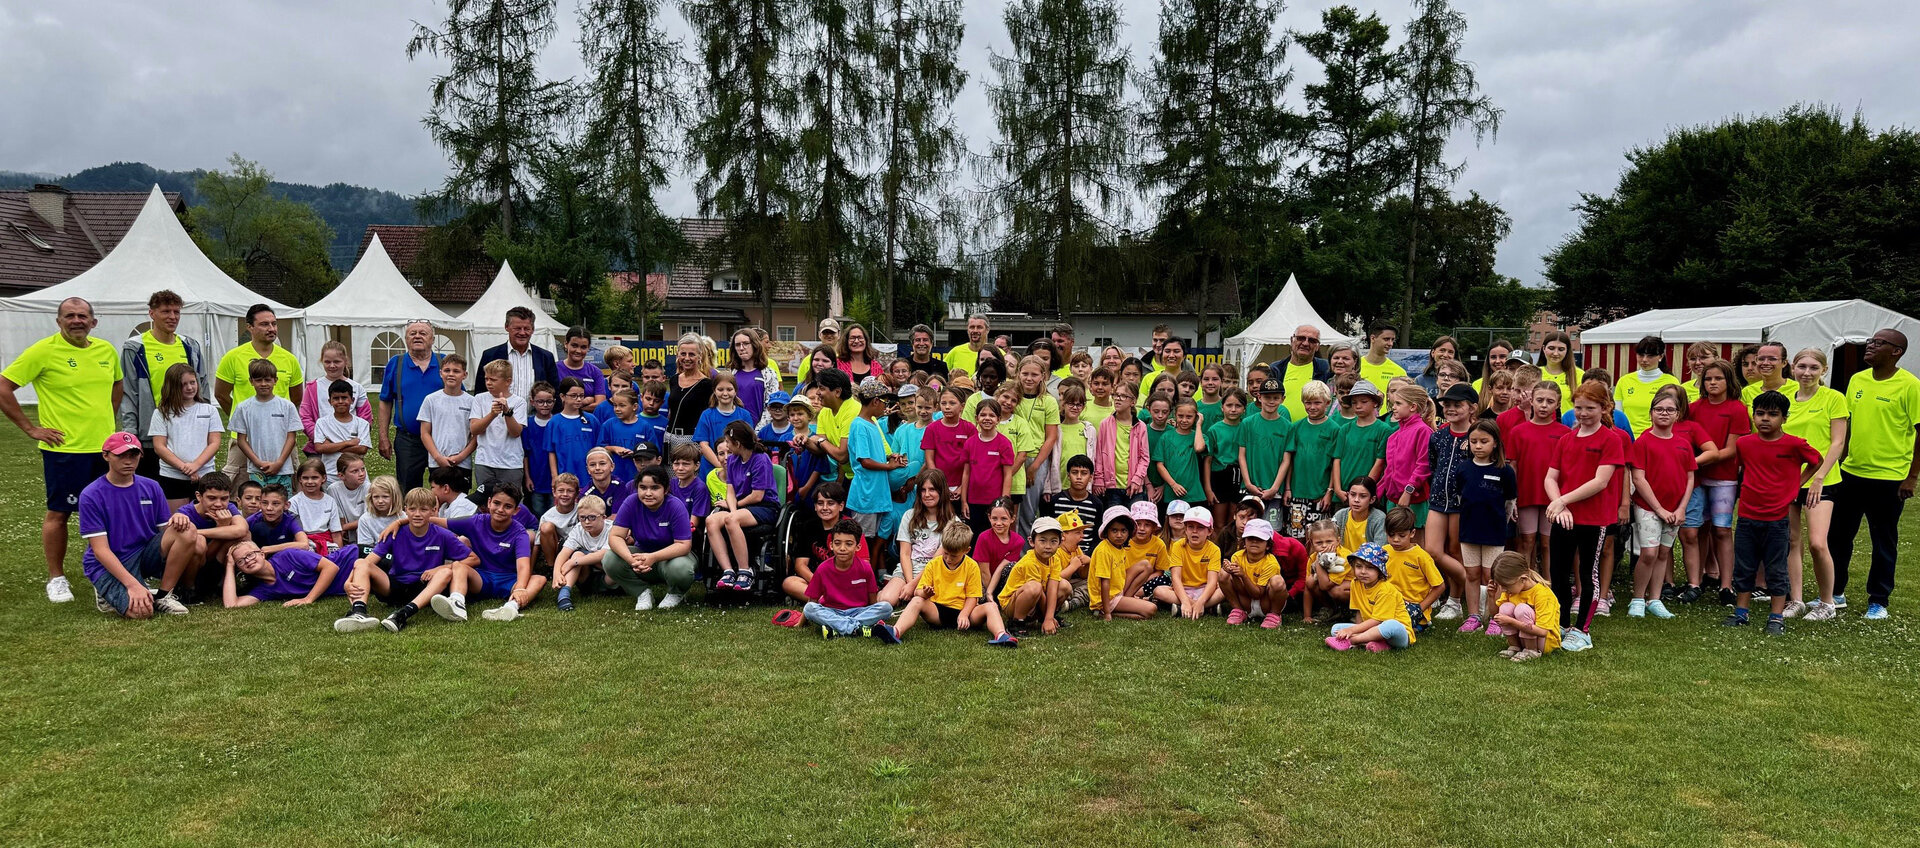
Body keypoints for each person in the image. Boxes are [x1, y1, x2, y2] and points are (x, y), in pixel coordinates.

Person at [0, 297, 125, 603]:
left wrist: (105, 421)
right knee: (60, 512)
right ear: (59, 322)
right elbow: (4, 386)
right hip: (65, 451)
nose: (76, 320)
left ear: (93, 322)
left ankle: (103, 571)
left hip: (105, 450)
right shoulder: (44, 350)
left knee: (107, 514)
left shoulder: (105, 350)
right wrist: (31, 429)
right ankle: (56, 578)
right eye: (69, 316)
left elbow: (117, 386)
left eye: (82, 316)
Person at [1829, 328, 1920, 620]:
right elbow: (1849, 425)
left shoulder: (1910, 385)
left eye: (1878, 343)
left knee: (1883, 541)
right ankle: (1835, 593)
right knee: (1839, 537)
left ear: (1896, 352)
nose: (1870, 346)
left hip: (1890, 477)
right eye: (1870, 341)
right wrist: (1839, 462)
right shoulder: (1857, 380)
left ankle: (1878, 601)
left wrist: (1912, 477)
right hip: (1851, 473)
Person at [1721, 390, 1822, 635]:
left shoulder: (1794, 444)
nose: (1765, 419)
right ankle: (1741, 613)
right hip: (1747, 516)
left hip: (1777, 519)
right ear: (1753, 415)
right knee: (1744, 567)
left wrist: (1798, 483)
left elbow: (1816, 460)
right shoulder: (1744, 443)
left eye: (1773, 414)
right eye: (1760, 413)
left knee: (1777, 569)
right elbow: (1744, 469)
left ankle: (1776, 618)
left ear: (1784, 418)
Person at [76, 432, 201, 617]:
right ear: (106, 455)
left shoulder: (151, 486)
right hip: (109, 561)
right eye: (121, 455)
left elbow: (165, 531)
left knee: (188, 530)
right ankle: (108, 588)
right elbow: (100, 550)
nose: (128, 461)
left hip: (143, 553)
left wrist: (177, 520)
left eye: (133, 455)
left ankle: (164, 595)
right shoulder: (91, 494)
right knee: (141, 612)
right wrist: (132, 585)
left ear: (140, 456)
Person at [1545, 382, 1627, 652]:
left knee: (1587, 574)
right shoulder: (1566, 439)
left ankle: (1582, 630)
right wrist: (1561, 507)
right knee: (1558, 573)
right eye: (1578, 407)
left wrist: (1562, 500)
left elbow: (1600, 481)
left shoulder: (1611, 439)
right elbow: (1551, 477)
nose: (1582, 413)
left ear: (1604, 408)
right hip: (1564, 517)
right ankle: (1562, 624)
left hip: (1593, 518)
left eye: (1590, 408)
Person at [332, 488, 475, 633]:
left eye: (423, 509)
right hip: (396, 584)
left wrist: (440, 568)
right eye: (412, 509)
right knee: (360, 562)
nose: (417, 514)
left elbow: (473, 559)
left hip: (425, 586)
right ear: (405, 510)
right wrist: (348, 581)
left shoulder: (443, 535)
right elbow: (366, 563)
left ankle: (403, 614)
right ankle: (359, 612)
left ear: (433, 511)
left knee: (445, 572)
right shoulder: (394, 532)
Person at [1782, 349, 1848, 620]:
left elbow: (1837, 442)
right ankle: (1796, 600)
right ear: (1793, 369)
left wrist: (1819, 475)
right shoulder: (1785, 398)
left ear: (1824, 370)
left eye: (1813, 367)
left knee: (1818, 543)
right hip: (1788, 480)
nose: (1806, 372)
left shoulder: (1834, 398)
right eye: (1801, 367)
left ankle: (1827, 603)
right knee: (1791, 541)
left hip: (1822, 480)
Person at [120, 290, 213, 481]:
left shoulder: (190, 346)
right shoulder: (135, 348)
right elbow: (128, 394)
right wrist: (131, 435)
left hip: (188, 433)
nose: (172, 317)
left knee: (192, 495)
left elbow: (202, 386)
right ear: (152, 313)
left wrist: (206, 424)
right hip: (151, 436)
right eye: (166, 312)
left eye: (176, 312)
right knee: (152, 493)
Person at [891, 519, 1019, 646]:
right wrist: (925, 593)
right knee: (916, 601)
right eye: (946, 553)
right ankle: (896, 631)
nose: (948, 558)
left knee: (991, 606)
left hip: (966, 613)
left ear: (966, 550)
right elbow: (917, 591)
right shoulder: (933, 564)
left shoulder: (972, 566)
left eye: (954, 556)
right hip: (937, 611)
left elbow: (973, 597)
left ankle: (1001, 635)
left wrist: (964, 615)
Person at [1626, 388, 1693, 620]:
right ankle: (1637, 598)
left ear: (1678, 414)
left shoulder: (1684, 444)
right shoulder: (1644, 441)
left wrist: (1681, 507)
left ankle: (1655, 598)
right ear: (1651, 413)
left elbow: (1690, 476)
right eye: (1659, 409)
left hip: (1675, 509)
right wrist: (1659, 509)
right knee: (1648, 553)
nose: (1664, 414)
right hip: (1649, 507)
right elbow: (1638, 478)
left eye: (1669, 410)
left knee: (1664, 552)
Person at [214, 304, 303, 479]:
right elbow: (221, 394)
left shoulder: (289, 359)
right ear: (250, 327)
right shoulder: (232, 357)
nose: (271, 329)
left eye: (274, 324)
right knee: (240, 492)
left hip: (282, 438)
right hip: (244, 439)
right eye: (264, 324)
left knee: (288, 490)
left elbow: (296, 398)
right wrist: (242, 420)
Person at [1688, 359, 1749, 604]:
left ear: (1729, 381)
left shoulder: (1737, 409)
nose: (1713, 383)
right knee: (1698, 529)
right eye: (1708, 379)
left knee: (1722, 530)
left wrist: (1699, 461)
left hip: (1724, 479)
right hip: (1698, 479)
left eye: (1718, 378)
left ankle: (1726, 585)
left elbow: (1733, 449)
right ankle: (1699, 577)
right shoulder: (1694, 408)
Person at [440, 484, 543, 623]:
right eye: (496, 503)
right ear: (489, 502)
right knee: (458, 566)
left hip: (508, 580)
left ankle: (511, 607)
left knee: (539, 580)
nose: (500, 509)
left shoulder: (520, 533)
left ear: (516, 510)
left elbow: (523, 565)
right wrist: (406, 521)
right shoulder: (476, 521)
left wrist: (519, 588)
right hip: (481, 578)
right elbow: (443, 523)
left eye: (507, 506)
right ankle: (457, 603)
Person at [604, 465, 699, 611]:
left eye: (655, 488)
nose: (648, 493)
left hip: (671, 558)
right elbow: (615, 536)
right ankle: (642, 592)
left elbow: (683, 545)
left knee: (681, 569)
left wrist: (653, 557)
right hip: (641, 556)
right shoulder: (631, 502)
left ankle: (676, 593)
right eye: (643, 487)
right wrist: (631, 559)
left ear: (665, 489)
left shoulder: (675, 505)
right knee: (609, 559)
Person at [1457, 420, 1515, 633]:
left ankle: (1495, 617)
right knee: (1471, 573)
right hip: (1469, 530)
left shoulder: (1505, 471)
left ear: (1495, 443)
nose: (1478, 446)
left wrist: (1501, 522)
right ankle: (1473, 616)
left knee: (1492, 575)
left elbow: (1510, 502)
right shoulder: (1463, 468)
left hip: (1494, 531)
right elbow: (1461, 496)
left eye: (1484, 441)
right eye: (1473, 442)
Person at [708, 421, 781, 591]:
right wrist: (733, 510)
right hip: (741, 507)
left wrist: (735, 510)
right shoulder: (733, 460)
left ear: (737, 444)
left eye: (727, 441)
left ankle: (745, 571)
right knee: (711, 521)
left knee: (731, 520)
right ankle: (728, 572)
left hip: (765, 507)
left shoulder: (760, 460)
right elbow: (730, 491)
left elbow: (757, 496)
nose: (726, 446)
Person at [803, 518, 899, 641]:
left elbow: (873, 602)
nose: (842, 548)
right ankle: (856, 628)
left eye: (848, 544)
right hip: (831, 611)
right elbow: (812, 601)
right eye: (837, 543)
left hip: (859, 612)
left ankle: (838, 628)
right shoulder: (823, 569)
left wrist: (876, 617)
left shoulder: (865, 568)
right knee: (809, 608)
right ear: (831, 545)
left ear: (858, 547)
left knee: (886, 607)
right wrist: (801, 623)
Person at [376, 321, 444, 491]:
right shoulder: (395, 363)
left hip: (441, 438)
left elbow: (460, 397)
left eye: (423, 333)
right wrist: (383, 437)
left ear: (432, 339)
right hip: (408, 440)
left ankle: (440, 518)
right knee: (408, 490)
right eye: (412, 333)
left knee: (444, 488)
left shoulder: (445, 362)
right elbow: (385, 401)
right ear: (406, 339)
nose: (417, 336)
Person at [147, 363, 223, 509]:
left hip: (204, 474)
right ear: (172, 386)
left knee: (205, 519)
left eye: (192, 382)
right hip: (172, 476)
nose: (189, 388)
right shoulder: (161, 413)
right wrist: (185, 468)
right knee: (178, 521)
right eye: (183, 384)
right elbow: (159, 446)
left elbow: (214, 443)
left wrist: (196, 465)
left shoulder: (209, 410)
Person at [1326, 543, 1413, 652]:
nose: (1363, 571)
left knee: (1391, 625)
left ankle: (1353, 641)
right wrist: (1354, 630)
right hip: (1371, 629)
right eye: (1358, 566)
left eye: (1370, 567)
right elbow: (1359, 611)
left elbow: (1378, 621)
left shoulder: (1386, 590)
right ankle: (1378, 644)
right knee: (1336, 629)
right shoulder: (1355, 583)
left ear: (1379, 570)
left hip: (1397, 634)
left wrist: (1352, 631)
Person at [220, 540, 354, 609]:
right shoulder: (264, 590)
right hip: (355, 583)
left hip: (354, 558)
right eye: (241, 561)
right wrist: (230, 566)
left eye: (250, 554)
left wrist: (308, 599)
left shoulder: (287, 556)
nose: (248, 560)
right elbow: (231, 605)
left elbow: (331, 568)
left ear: (261, 554)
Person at [230, 360, 300, 487]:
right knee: (258, 503)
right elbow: (241, 440)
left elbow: (291, 437)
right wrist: (257, 462)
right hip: (256, 470)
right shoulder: (243, 408)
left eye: (267, 380)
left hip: (283, 469)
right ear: (251, 381)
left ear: (275, 380)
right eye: (258, 380)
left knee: (281, 503)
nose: (263, 384)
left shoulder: (287, 406)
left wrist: (279, 462)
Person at [473, 306, 560, 401]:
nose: (522, 333)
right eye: (517, 328)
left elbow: (554, 392)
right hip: (498, 414)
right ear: (506, 327)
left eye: (526, 328)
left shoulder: (545, 357)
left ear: (533, 329)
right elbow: (480, 392)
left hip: (534, 415)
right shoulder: (490, 356)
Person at [465, 359, 527, 492]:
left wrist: (507, 412)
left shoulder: (519, 402)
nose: (488, 383)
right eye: (486, 379)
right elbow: (474, 429)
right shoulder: (480, 399)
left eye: (493, 380)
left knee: (510, 501)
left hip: (511, 463)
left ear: (508, 381)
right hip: (485, 461)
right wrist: (492, 414)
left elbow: (516, 432)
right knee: (485, 502)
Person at [297, 341, 372, 451]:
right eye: (327, 362)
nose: (332, 366)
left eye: (337, 361)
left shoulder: (357, 388)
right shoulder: (312, 387)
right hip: (321, 448)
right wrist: (321, 440)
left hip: (351, 449)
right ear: (322, 361)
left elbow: (366, 418)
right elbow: (305, 417)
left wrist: (352, 442)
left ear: (346, 361)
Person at [1491, 551, 1561, 661]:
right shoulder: (1511, 590)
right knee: (1505, 607)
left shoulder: (1543, 595)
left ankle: (1531, 650)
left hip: (1545, 642)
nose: (1503, 589)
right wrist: (1491, 596)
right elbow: (1496, 615)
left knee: (1522, 609)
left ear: (1523, 579)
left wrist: (1511, 621)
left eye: (1505, 585)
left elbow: (1543, 631)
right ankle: (1515, 646)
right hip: (1523, 637)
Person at [417, 355, 476, 477]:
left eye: (456, 371)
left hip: (462, 463)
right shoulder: (431, 400)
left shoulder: (472, 402)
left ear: (464, 375)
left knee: (461, 496)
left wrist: (461, 457)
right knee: (438, 496)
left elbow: (476, 436)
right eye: (447, 370)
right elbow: (425, 433)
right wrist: (438, 457)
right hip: (437, 462)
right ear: (440, 373)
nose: (451, 374)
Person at [552, 493, 610, 611]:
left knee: (610, 560)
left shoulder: (612, 529)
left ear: (603, 517)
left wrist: (574, 562)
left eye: (592, 517)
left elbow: (604, 554)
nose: (587, 522)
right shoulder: (579, 529)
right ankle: (564, 595)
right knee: (577, 554)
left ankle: (603, 589)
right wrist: (556, 574)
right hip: (586, 576)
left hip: (608, 576)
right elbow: (563, 553)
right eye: (582, 517)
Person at [309, 379, 372, 485]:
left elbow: (362, 449)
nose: (340, 401)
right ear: (330, 401)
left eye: (344, 398)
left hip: (357, 475)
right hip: (330, 475)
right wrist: (348, 442)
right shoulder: (322, 423)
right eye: (336, 398)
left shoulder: (362, 423)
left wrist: (331, 446)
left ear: (352, 400)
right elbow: (319, 448)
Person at [1330, 380, 1389, 493]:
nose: (1358, 406)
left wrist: (1364, 489)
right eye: (1354, 402)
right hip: (1343, 491)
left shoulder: (1384, 430)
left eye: (1364, 401)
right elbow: (1337, 460)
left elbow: (1380, 462)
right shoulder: (1345, 429)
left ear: (1375, 403)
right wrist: (1337, 489)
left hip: (1367, 493)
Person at [1615, 336, 1680, 436]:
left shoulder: (1671, 382)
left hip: (1657, 438)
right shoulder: (1624, 381)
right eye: (1641, 355)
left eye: (1650, 356)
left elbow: (1675, 416)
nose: (1644, 360)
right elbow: (1618, 415)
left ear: (1661, 357)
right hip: (1627, 438)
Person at [726, 329, 781, 423]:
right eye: (738, 345)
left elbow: (771, 406)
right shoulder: (730, 374)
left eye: (746, 343)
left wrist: (757, 432)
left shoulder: (768, 374)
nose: (742, 348)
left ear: (755, 345)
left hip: (760, 433)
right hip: (734, 429)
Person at [1538, 330, 1583, 414]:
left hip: (1569, 426)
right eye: (1551, 348)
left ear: (1567, 351)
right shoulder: (1536, 373)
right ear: (1544, 348)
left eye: (1561, 349)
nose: (1555, 353)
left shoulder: (1579, 375)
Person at [943, 314, 990, 380]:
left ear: (987, 330)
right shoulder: (956, 352)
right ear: (967, 330)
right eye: (972, 327)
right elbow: (938, 377)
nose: (975, 331)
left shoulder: (997, 353)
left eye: (979, 327)